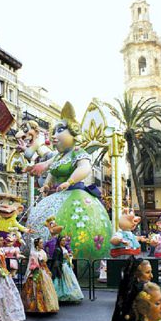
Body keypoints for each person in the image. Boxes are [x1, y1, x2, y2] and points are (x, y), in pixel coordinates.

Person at [24, 102, 112, 261]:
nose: (54, 136)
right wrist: (46, 185)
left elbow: (84, 168)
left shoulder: (77, 151)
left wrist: (69, 181)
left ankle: (86, 261)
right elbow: (51, 171)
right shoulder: (58, 157)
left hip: (76, 194)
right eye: (53, 132)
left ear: (73, 133)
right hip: (57, 195)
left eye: (60, 130)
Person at [110, 256, 153, 321]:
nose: (151, 276)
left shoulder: (131, 288)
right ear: (137, 274)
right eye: (147, 272)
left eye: (151, 272)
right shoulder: (138, 291)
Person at [21, 237, 59, 313]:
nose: (43, 244)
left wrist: (47, 271)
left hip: (43, 271)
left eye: (42, 242)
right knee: (35, 289)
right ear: (37, 244)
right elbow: (33, 264)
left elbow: (44, 263)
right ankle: (35, 306)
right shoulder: (34, 253)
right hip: (36, 272)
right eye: (41, 243)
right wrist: (35, 269)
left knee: (45, 289)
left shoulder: (43, 252)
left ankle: (46, 306)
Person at [52, 236, 84, 302]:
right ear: (59, 241)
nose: (64, 242)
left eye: (65, 240)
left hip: (67, 266)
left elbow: (67, 257)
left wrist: (70, 262)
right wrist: (59, 267)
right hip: (62, 266)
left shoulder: (65, 248)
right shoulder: (57, 249)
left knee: (70, 281)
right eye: (62, 240)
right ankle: (61, 295)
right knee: (61, 281)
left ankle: (71, 294)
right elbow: (56, 260)